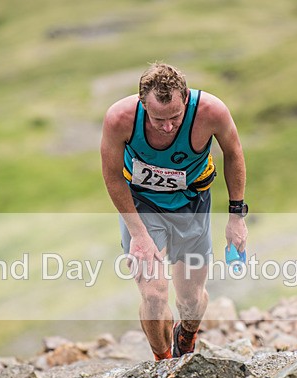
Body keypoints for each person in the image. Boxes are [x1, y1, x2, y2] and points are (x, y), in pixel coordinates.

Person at [101, 62, 248, 361]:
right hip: (142, 205)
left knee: (192, 300)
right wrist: (138, 235)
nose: (167, 126)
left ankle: (187, 334)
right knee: (154, 294)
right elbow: (113, 177)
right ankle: (163, 363)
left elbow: (234, 153)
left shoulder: (211, 112)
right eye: (157, 119)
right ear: (142, 104)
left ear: (186, 98)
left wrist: (236, 217)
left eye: (175, 117)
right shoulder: (120, 118)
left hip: (191, 205)